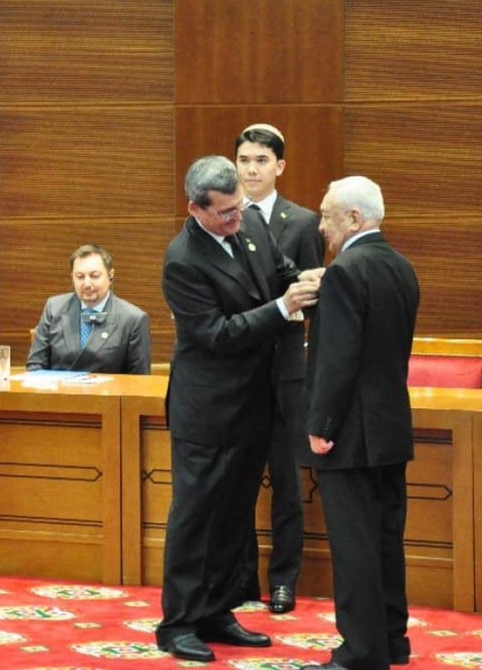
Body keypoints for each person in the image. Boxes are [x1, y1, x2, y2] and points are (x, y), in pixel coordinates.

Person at [156, 155, 322, 663]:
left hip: (256, 401)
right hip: (206, 408)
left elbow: (280, 271)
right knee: (197, 514)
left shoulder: (250, 221)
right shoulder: (182, 259)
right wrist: (283, 308)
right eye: (225, 213)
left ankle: (219, 608)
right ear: (195, 208)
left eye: (239, 208)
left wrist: (311, 283)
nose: (236, 218)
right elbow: (216, 334)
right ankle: (179, 621)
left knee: (234, 513)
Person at [300, 176, 420, 670]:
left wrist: (320, 423)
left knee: (354, 547)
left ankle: (361, 652)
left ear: (354, 218)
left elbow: (337, 359)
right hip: (390, 428)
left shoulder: (345, 271)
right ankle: (392, 640)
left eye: (327, 215)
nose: (321, 225)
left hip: (350, 433)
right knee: (385, 541)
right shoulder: (401, 266)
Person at [235, 122, 324, 614]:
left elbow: (313, 305)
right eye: (245, 160)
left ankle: (284, 579)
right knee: (240, 480)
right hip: (240, 370)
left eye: (261, 161)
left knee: (287, 481)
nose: (252, 169)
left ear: (279, 167)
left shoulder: (304, 223)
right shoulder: (226, 218)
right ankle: (243, 576)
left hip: (288, 369)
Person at [26, 243, 151, 374]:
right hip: (60, 392)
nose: (86, 284)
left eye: (94, 276)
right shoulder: (54, 308)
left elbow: (139, 379)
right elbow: (35, 366)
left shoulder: (133, 319)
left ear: (110, 275)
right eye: (79, 277)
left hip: (107, 393)